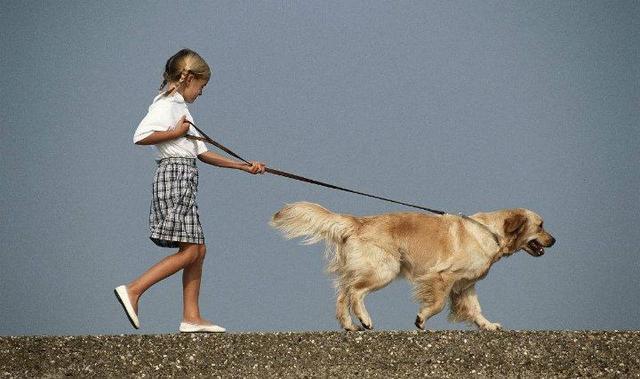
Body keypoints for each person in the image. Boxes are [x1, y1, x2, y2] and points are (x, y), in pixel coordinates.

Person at [114, 48, 266, 333]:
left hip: (185, 175)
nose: (201, 92)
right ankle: (134, 290)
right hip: (174, 176)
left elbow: (203, 154)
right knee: (190, 251)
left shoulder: (182, 109)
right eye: (202, 86)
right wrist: (176, 133)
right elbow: (141, 136)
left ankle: (191, 317)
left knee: (198, 249)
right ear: (189, 79)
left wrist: (244, 166)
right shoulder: (166, 105)